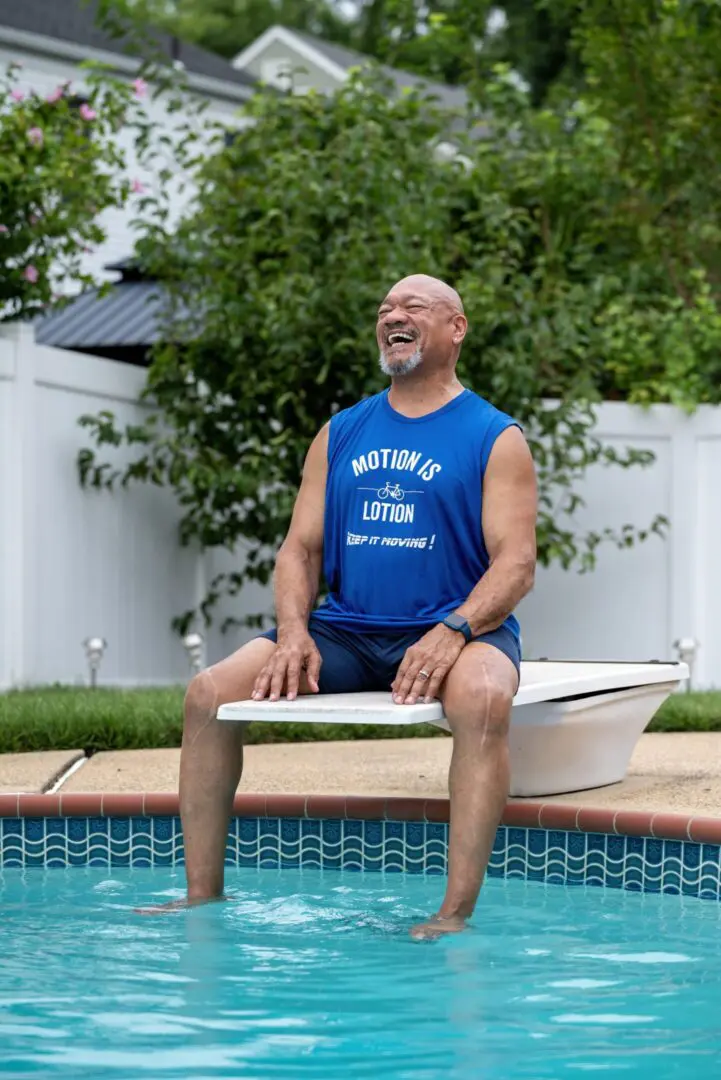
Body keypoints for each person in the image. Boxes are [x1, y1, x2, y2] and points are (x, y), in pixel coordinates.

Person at [173, 274, 537, 939]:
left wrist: (452, 630)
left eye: (412, 308)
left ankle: (452, 913)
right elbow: (299, 550)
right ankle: (201, 900)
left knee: (485, 699)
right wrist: (291, 633)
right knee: (207, 694)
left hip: (454, 631)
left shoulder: (494, 436)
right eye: (384, 310)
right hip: (343, 631)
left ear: (456, 328)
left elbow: (515, 564)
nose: (392, 316)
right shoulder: (341, 432)